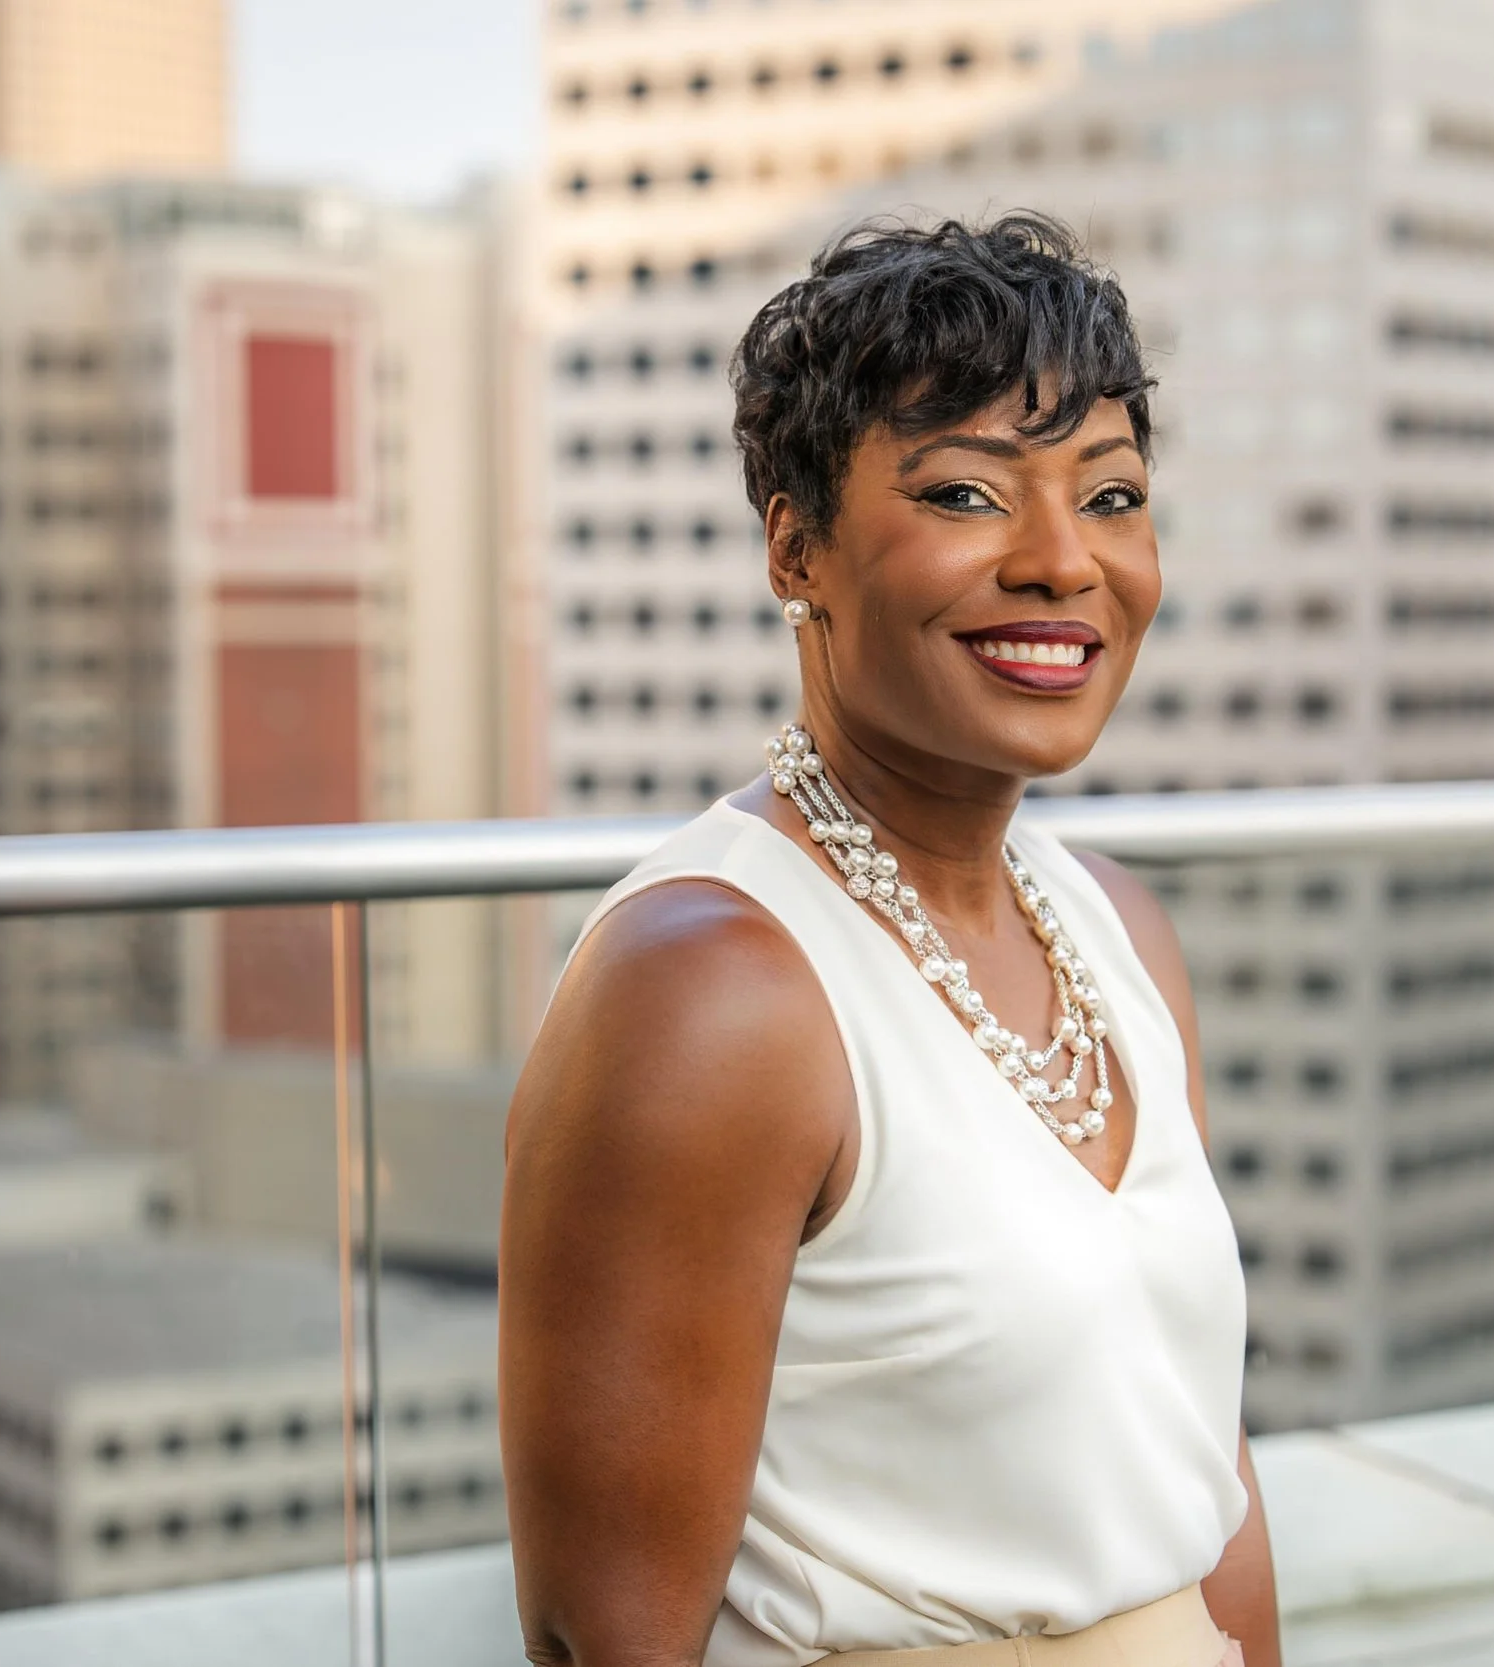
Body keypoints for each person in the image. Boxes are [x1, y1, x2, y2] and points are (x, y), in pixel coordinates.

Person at [499, 212, 1278, 1667]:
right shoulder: (710, 986)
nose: (1063, 562)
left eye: (1111, 497)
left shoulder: (1120, 931)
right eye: (971, 494)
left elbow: (1202, 1466)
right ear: (797, 545)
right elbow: (603, 1636)